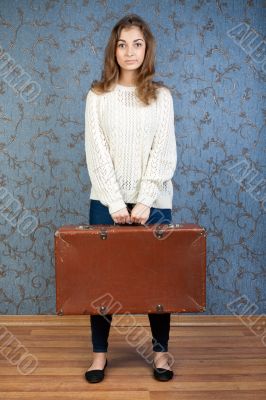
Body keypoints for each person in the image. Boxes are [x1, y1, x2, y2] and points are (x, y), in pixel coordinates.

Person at [84, 13, 177, 383]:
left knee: (159, 280)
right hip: (106, 202)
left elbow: (164, 151)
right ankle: (99, 354)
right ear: (114, 49)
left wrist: (145, 200)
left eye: (137, 43)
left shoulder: (162, 97)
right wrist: (116, 203)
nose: (129, 51)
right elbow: (97, 151)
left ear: (146, 48)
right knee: (100, 280)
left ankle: (161, 352)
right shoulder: (97, 96)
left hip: (154, 203)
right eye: (122, 44)